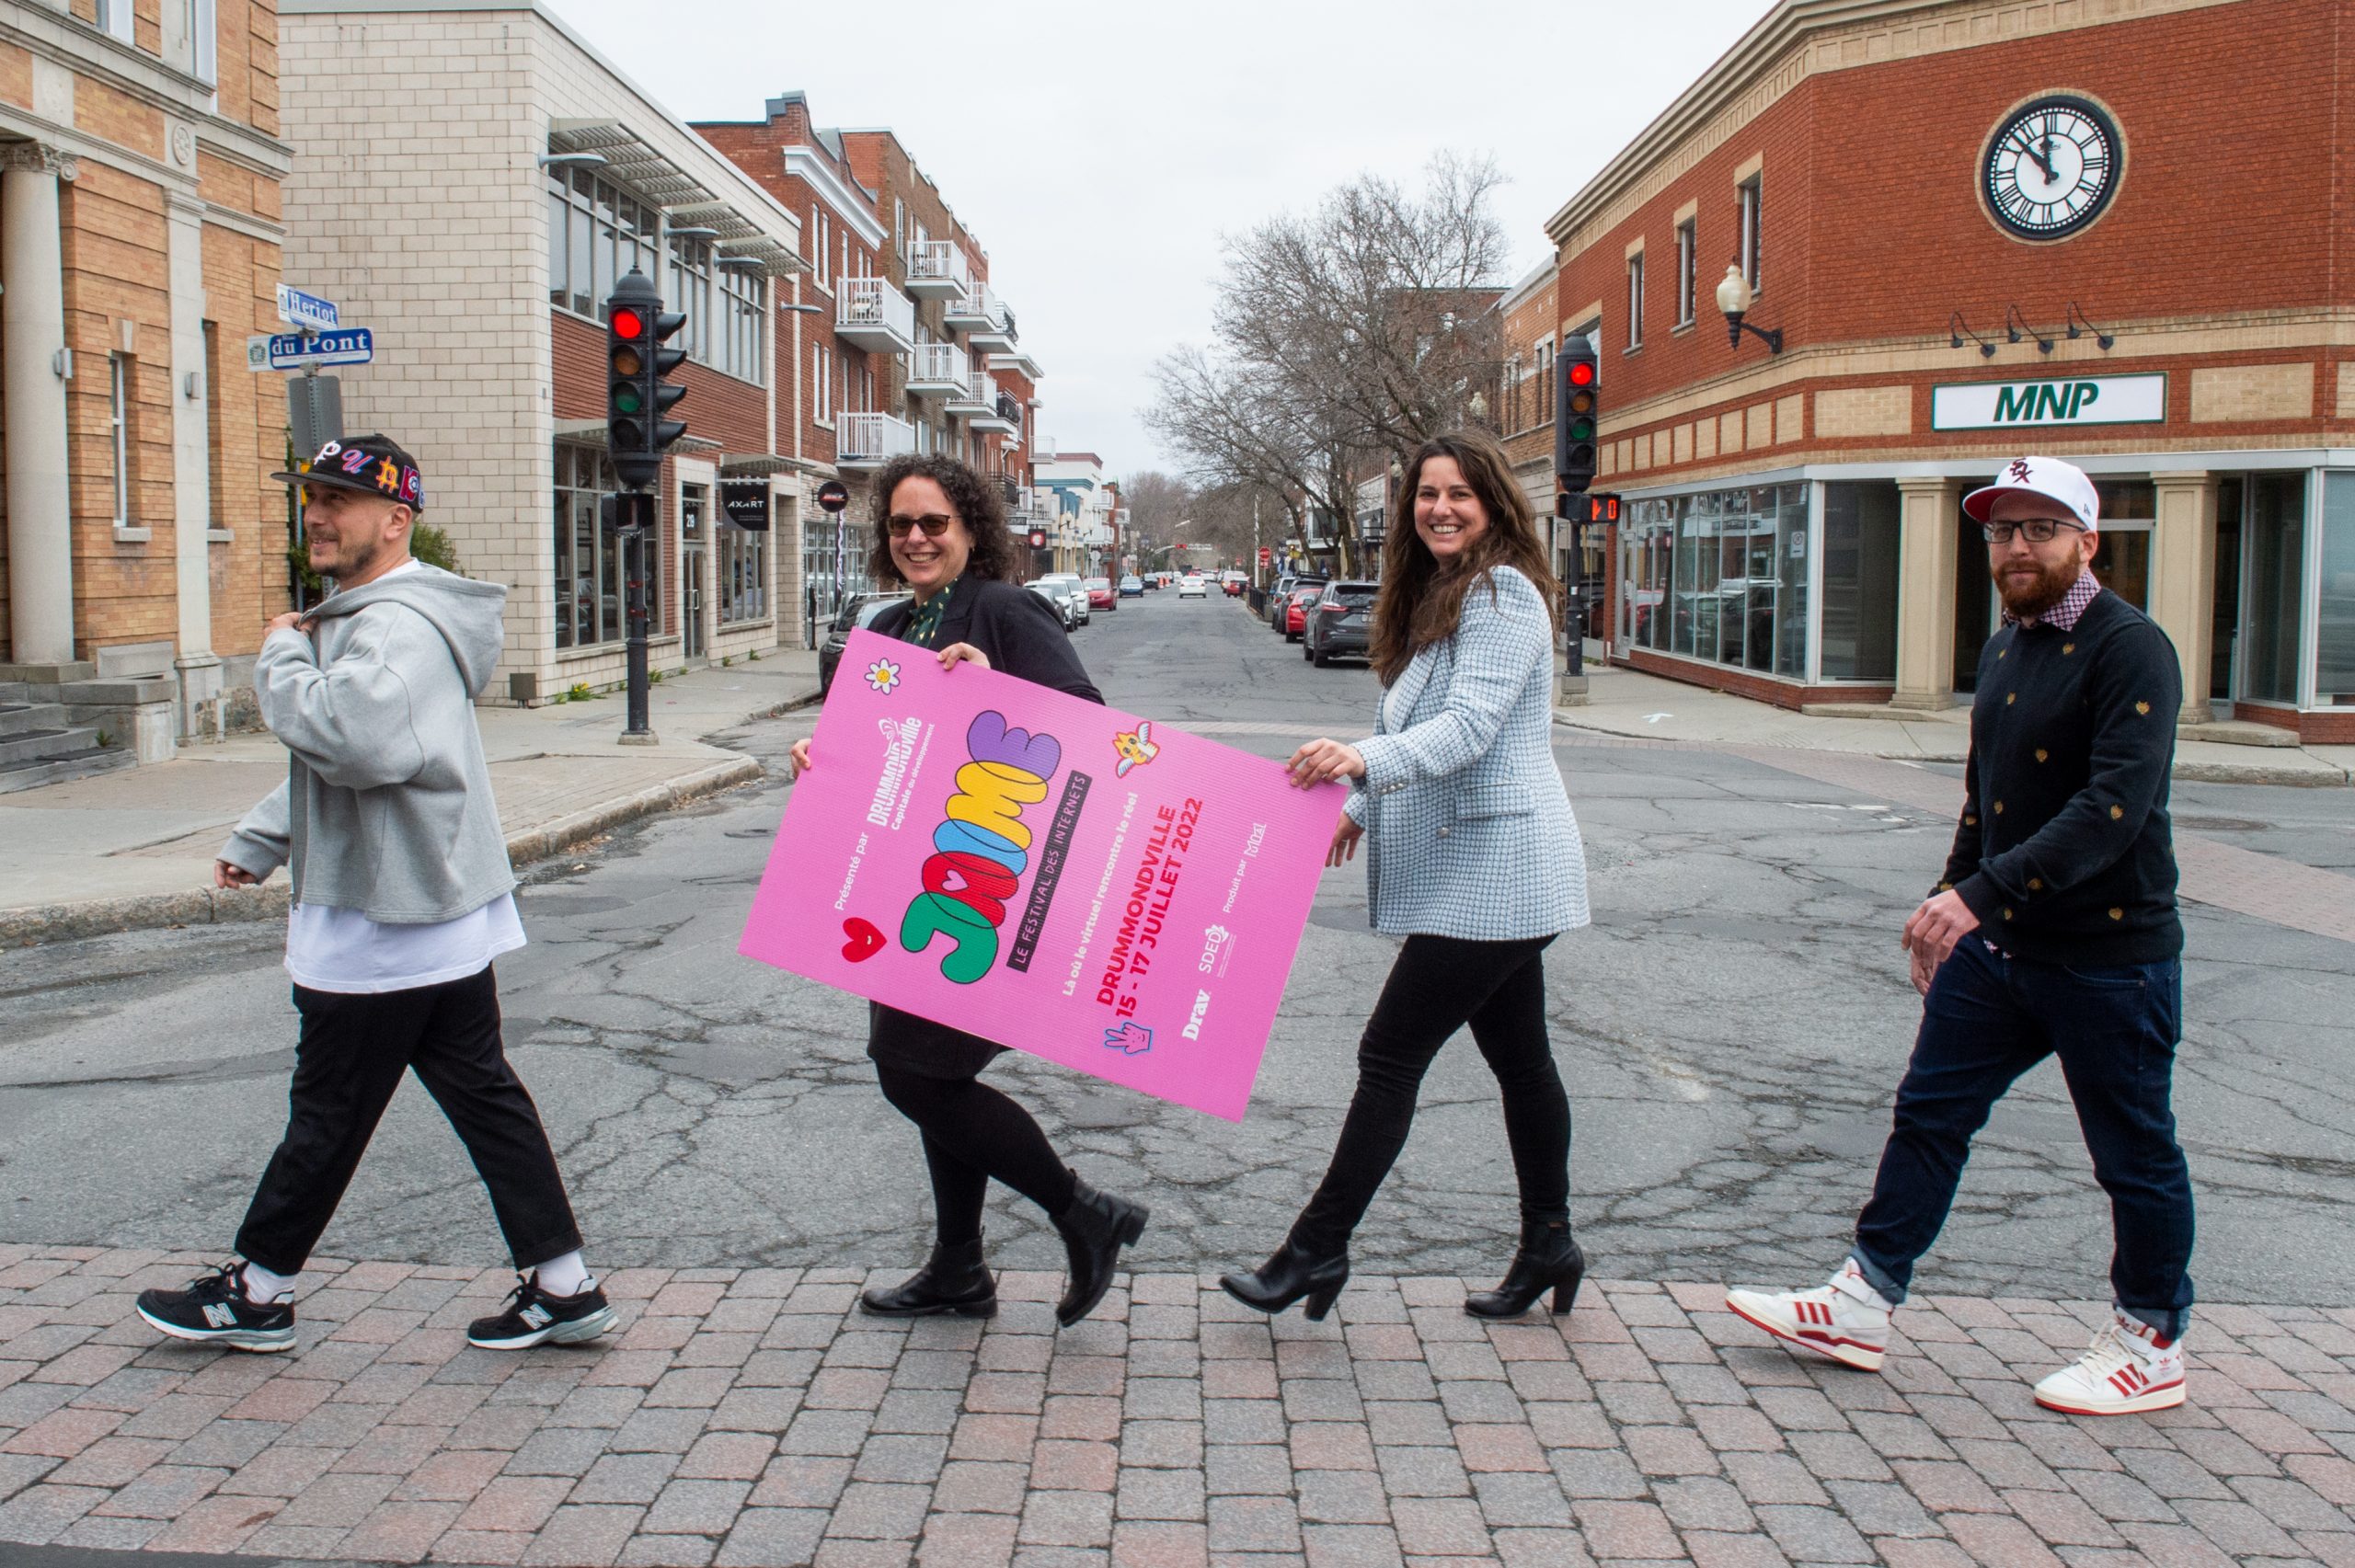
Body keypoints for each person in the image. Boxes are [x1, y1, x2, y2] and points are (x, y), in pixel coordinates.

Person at [1728, 455, 2194, 1416]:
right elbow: (1988, 799)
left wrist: (1976, 895)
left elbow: (2112, 808)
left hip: (2111, 957)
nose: (2016, 548)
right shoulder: (2004, 646)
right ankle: (1862, 1300)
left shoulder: (2130, 647)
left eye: (2038, 529)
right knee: (1930, 1112)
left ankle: (2150, 1338)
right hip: (2005, 946)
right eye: (2000, 531)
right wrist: (1950, 892)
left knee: (2132, 1151)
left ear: (2084, 541)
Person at [133, 435, 611, 1355]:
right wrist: (264, 839)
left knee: (329, 1108)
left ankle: (260, 1291)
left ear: (395, 522)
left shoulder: (389, 625)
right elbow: (350, 760)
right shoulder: (378, 618)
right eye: (313, 495)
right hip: (428, 907)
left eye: (340, 501)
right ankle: (564, 1283)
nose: (318, 511)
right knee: (481, 1095)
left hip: (382, 915)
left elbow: (355, 741)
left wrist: (275, 658)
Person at [1221, 431, 1591, 1322]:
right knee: (1522, 1061)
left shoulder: (1501, 595)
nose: (1441, 508)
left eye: (1460, 493)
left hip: (1498, 869)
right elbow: (1431, 722)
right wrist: (1358, 807)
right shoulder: (1445, 596)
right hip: (1488, 867)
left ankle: (1315, 1248)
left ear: (1494, 503)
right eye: (1427, 494)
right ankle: (1550, 1241)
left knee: (1388, 1053)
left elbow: (1466, 730)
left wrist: (1359, 762)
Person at [789, 453, 1149, 1328]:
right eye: (902, 525)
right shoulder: (889, 624)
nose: (916, 538)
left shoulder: (1002, 608)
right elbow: (882, 752)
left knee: (915, 1076)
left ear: (970, 529)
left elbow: (1089, 721)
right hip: (914, 884)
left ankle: (1082, 1212)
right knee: (927, 1070)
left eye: (934, 523)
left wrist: (994, 688)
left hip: (990, 879)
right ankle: (958, 1267)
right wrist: (822, 758)